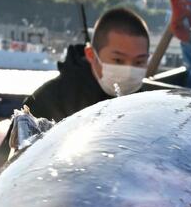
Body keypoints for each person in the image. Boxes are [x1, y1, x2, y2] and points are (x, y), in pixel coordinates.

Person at [22, 7, 151, 122]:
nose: (128, 71)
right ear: (91, 55)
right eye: (118, 60)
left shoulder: (148, 107)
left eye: (139, 62)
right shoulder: (48, 100)